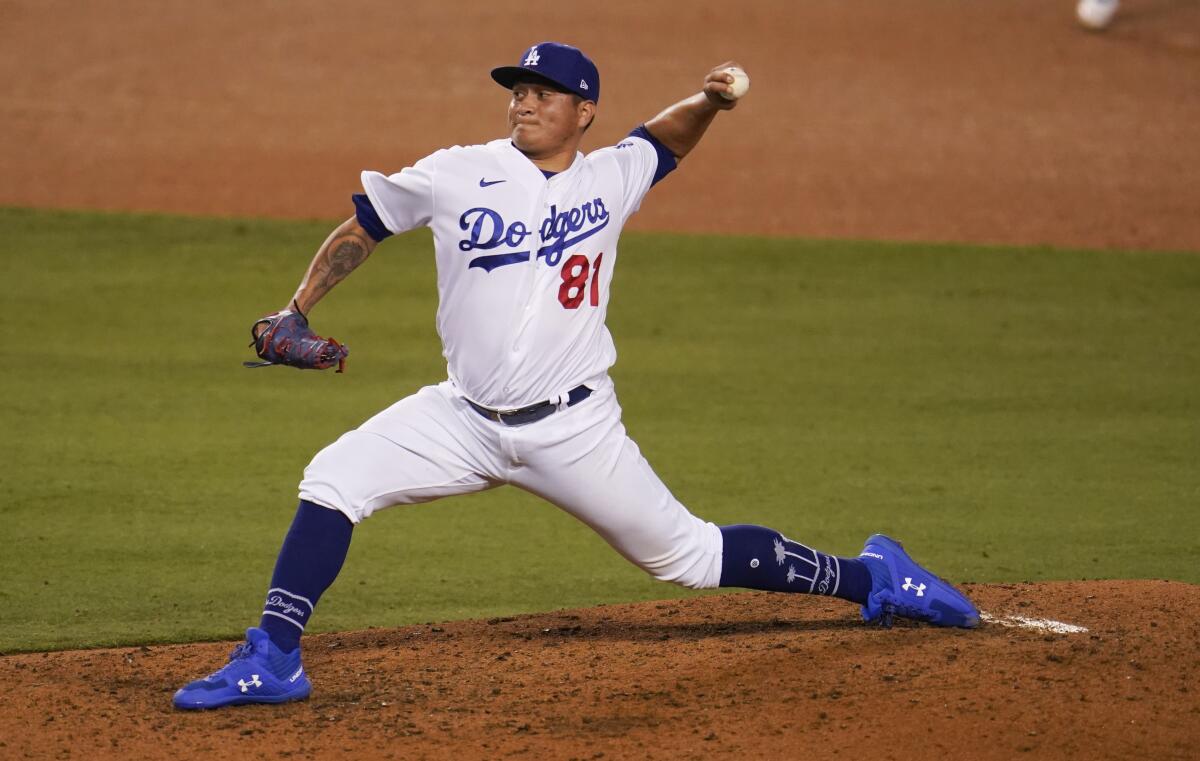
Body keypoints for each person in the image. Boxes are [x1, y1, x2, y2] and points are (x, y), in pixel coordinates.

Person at [173, 42, 980, 710]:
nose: (523, 102)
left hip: (574, 428)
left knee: (689, 557)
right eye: (518, 90)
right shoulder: (459, 170)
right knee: (335, 476)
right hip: (463, 418)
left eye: (544, 92)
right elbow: (368, 222)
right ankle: (274, 654)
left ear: (583, 111)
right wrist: (295, 308)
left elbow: (665, 138)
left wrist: (711, 101)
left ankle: (876, 577)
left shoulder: (610, 177)